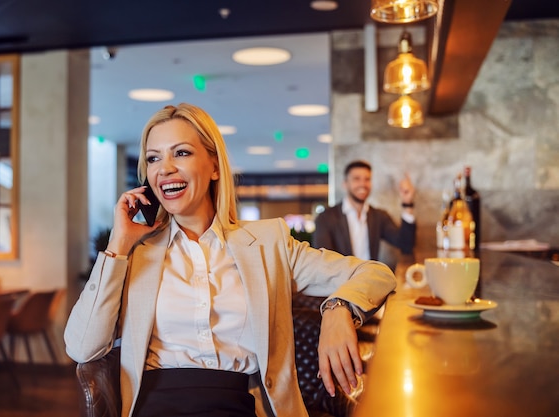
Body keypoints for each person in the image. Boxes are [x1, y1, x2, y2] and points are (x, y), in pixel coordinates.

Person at [64, 103, 396, 417]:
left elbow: (376, 273)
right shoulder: (134, 253)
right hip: (155, 407)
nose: (164, 169)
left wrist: (338, 309)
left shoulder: (268, 243)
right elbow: (82, 348)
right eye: (153, 158)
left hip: (237, 405)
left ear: (213, 166)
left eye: (181, 153)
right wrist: (118, 244)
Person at [313, 160, 416, 267]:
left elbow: (406, 244)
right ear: (345, 184)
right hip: (341, 283)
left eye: (367, 179)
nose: (362, 184)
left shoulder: (378, 216)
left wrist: (407, 203)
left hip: (369, 281)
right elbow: (323, 261)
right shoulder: (326, 218)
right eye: (356, 179)